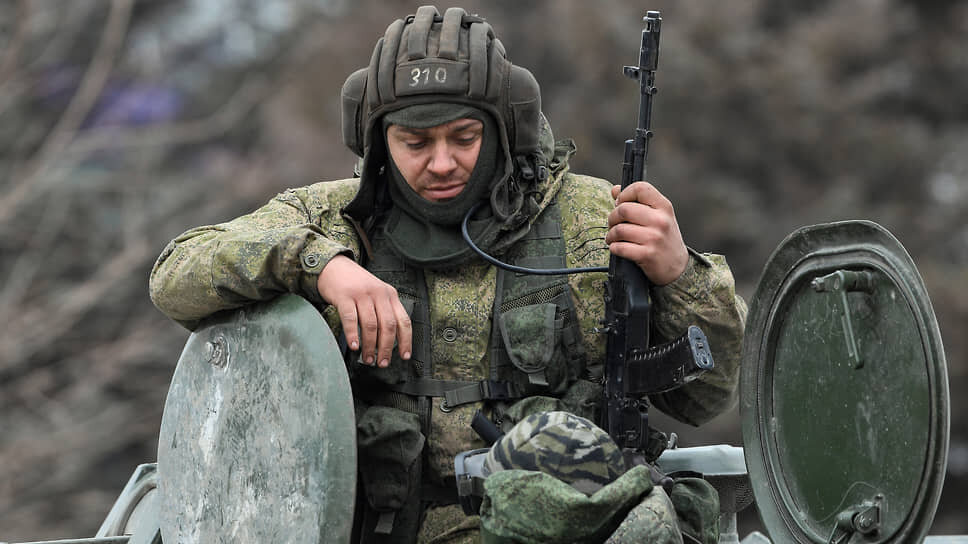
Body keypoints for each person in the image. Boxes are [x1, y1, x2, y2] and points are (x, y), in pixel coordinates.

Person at [149, 6, 746, 543]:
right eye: (415, 142)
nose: (441, 163)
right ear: (378, 140)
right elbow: (177, 271)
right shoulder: (331, 220)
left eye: (464, 137)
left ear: (504, 129)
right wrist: (319, 265)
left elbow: (706, 396)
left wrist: (679, 274)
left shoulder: (592, 220)